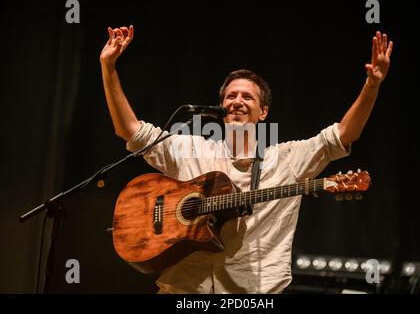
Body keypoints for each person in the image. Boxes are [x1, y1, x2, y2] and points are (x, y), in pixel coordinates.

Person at [100, 25, 393, 293]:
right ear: (221, 106)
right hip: (183, 290)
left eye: (247, 97)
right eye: (230, 96)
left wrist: (372, 86)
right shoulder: (192, 149)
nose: (237, 101)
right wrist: (108, 67)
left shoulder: (286, 159)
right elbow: (129, 130)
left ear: (263, 112)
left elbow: (343, 136)